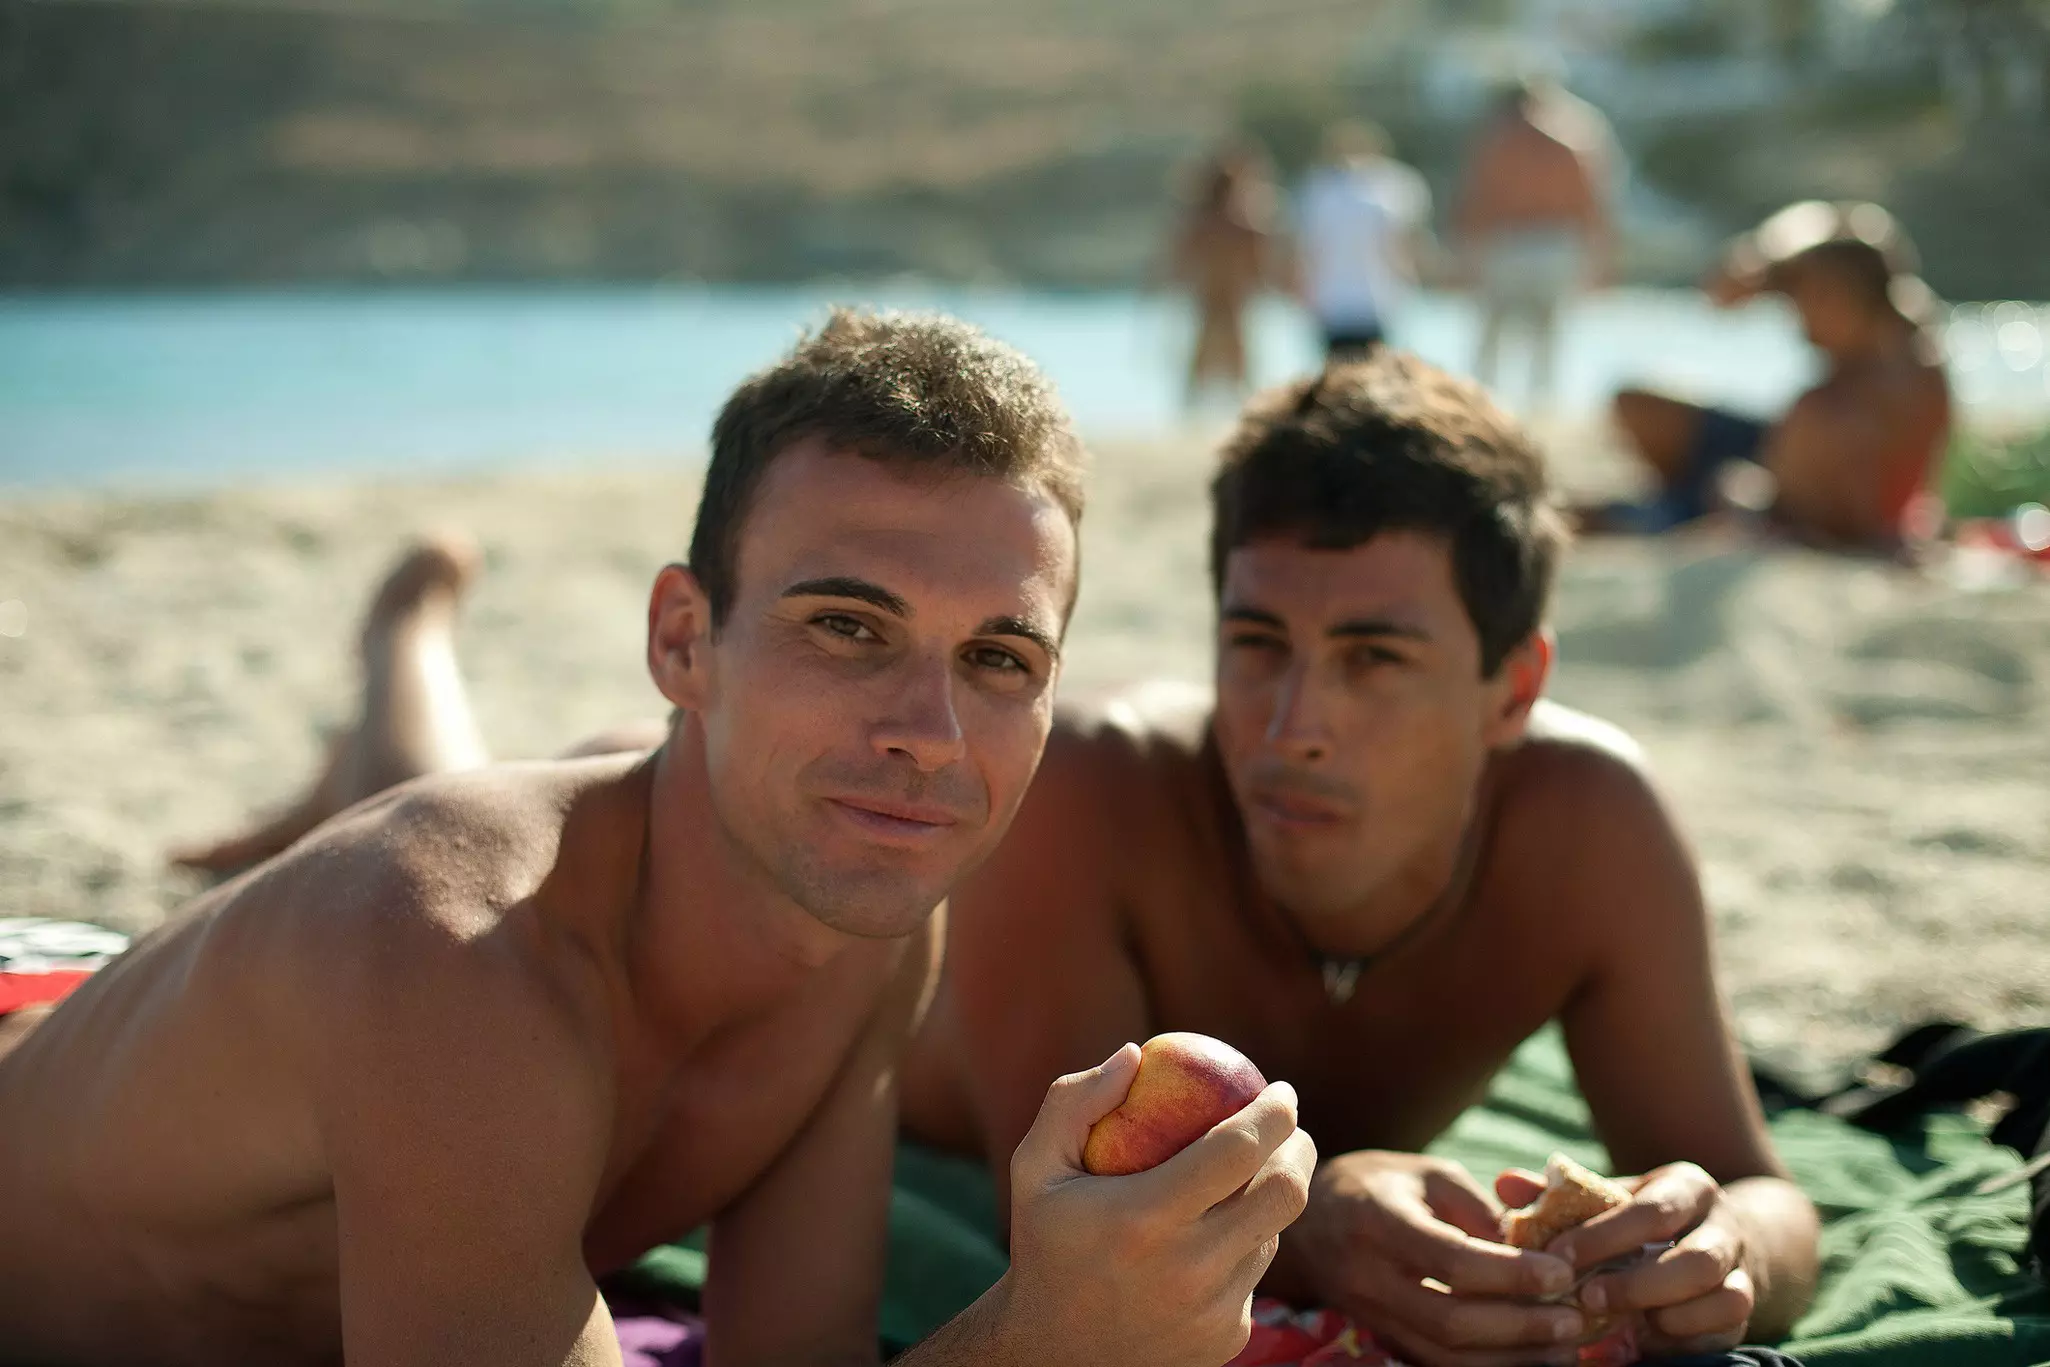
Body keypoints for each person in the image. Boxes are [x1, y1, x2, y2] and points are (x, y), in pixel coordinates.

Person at [0, 310, 1317, 1367]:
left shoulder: (865, 919)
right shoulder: (452, 956)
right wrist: (1053, 1335)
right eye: (846, 626)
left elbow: (790, 1350)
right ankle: (403, 635)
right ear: (682, 638)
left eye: (997, 655)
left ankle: (399, 662)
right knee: (437, 840)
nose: (932, 731)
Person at [899, 350, 1821, 1367]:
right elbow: (1070, 1221)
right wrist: (1318, 1219)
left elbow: (1758, 1191)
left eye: (1373, 658)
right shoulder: (1086, 792)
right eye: (1256, 642)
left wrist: (1720, 1253)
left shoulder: (1586, 823)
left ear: (1512, 687)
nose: (1294, 725)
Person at [1604, 201, 1953, 553]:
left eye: (1809, 299)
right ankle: (1665, 504)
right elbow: (1724, 291)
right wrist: (1766, 255)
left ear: (1846, 294)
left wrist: (1747, 501)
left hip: (1781, 497)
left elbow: (1847, 515)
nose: (1798, 318)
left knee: (1639, 514)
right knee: (1637, 406)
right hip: (1770, 464)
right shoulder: (1853, 353)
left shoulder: (1891, 380)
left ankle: (1663, 511)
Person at [1455, 78, 1615, 405]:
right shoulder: (1575, 138)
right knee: (1546, 334)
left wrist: (1467, 252)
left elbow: (1479, 199)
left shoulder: (1501, 139)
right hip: (1556, 244)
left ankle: (1484, 403)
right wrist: (1601, 255)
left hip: (1508, 242)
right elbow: (1591, 203)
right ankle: (1540, 404)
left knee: (1495, 333)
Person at [1294, 119, 1434, 361]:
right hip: (1373, 303)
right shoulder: (1385, 196)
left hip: (1332, 304)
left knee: (1335, 384)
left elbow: (1310, 252)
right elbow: (1398, 250)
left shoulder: (1319, 193)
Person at [1169, 142, 1287, 408]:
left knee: (1200, 373)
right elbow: (1260, 271)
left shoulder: (1198, 223)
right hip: (1233, 303)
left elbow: (1179, 267)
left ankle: (1192, 419)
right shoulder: (1246, 226)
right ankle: (1244, 414)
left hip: (1208, 301)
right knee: (1240, 372)